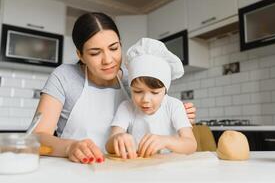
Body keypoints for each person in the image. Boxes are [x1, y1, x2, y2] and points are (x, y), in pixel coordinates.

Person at [33, 12, 196, 164]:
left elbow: (158, 111)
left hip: (124, 170)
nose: (108, 60)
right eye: (95, 53)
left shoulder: (133, 77)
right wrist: (69, 147)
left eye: (114, 48)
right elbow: (35, 139)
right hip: (76, 169)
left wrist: (179, 116)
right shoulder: (65, 77)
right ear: (80, 55)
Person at [106, 38, 197, 159]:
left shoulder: (174, 106)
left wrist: (166, 141)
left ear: (165, 90)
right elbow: (108, 146)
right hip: (138, 168)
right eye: (137, 91)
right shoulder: (126, 107)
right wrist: (117, 139)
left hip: (170, 168)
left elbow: (191, 144)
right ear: (131, 88)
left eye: (154, 92)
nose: (145, 100)